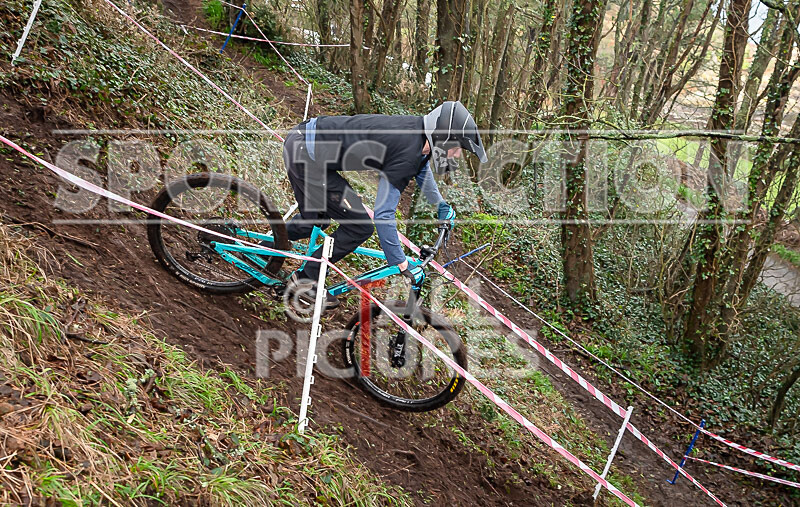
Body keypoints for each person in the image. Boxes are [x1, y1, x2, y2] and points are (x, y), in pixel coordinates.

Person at [281, 100, 487, 308]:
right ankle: (305, 280)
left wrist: (440, 204)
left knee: (315, 220)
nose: (458, 154)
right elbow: (383, 213)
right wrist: (400, 262)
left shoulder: (416, 134)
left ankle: (266, 250)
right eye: (457, 147)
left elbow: (422, 169)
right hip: (306, 155)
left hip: (304, 143)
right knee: (359, 227)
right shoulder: (408, 152)